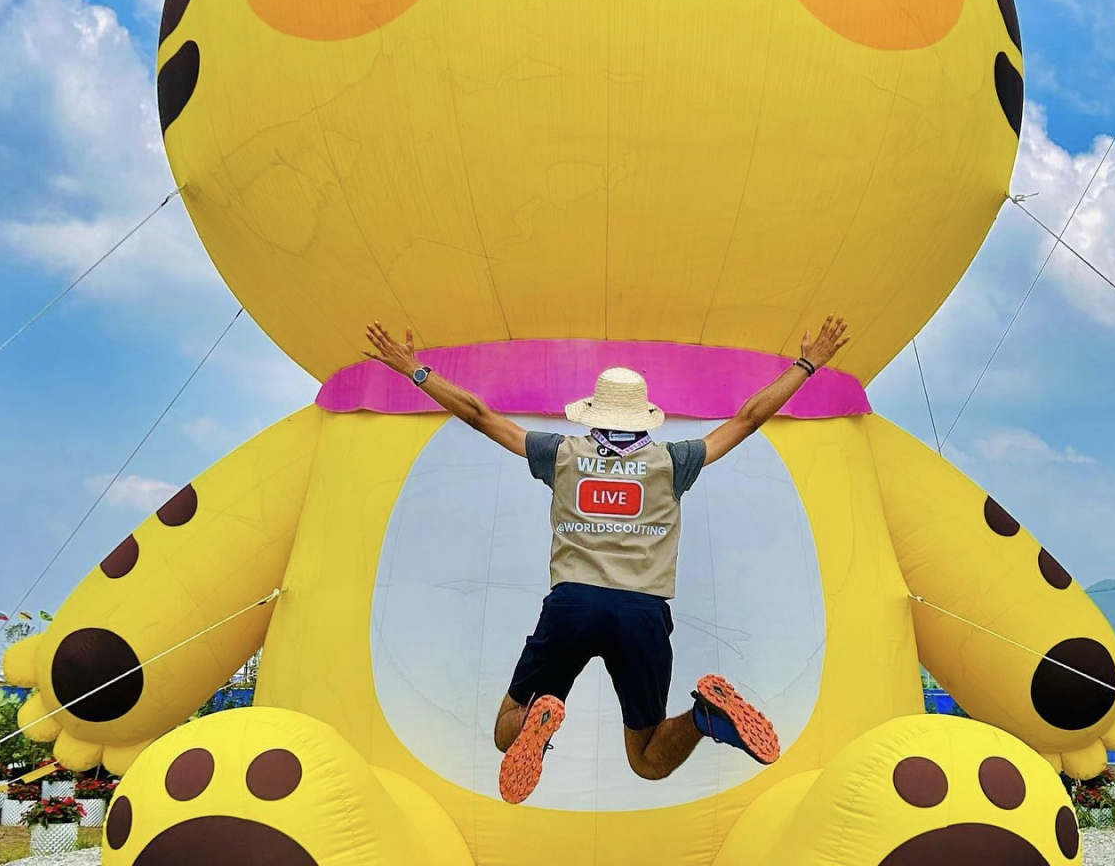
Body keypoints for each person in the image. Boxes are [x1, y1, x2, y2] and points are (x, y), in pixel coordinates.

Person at [364, 313, 849, 804]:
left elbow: (478, 414)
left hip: (572, 606)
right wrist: (807, 364)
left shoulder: (561, 454)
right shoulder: (672, 462)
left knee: (503, 733)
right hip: (643, 613)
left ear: (593, 413)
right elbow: (747, 419)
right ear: (643, 417)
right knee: (646, 759)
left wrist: (414, 370)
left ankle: (537, 716)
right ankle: (706, 718)